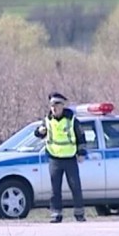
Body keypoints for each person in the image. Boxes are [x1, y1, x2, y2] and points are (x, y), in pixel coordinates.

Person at [34, 92, 87, 223]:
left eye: (56, 105)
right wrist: (39, 132)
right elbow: (38, 134)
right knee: (55, 189)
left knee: (75, 186)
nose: (54, 108)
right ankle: (56, 214)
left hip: (69, 157)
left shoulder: (71, 119)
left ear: (62, 105)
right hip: (54, 158)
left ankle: (79, 213)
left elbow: (81, 137)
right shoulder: (47, 120)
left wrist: (81, 153)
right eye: (52, 105)